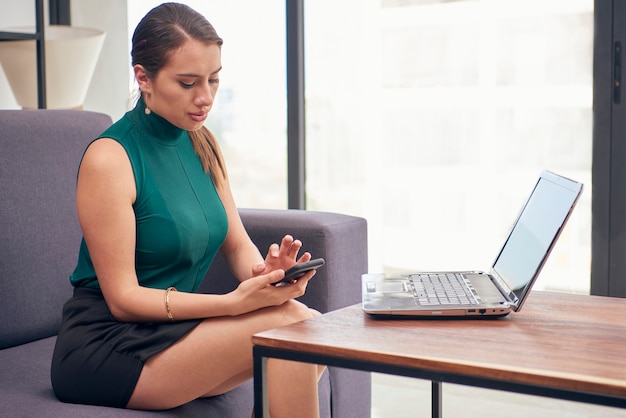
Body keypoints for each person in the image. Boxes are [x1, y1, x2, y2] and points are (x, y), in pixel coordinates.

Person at [50, 3, 323, 417]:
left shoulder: (202, 142)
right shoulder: (110, 158)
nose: (206, 97)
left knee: (308, 324)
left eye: (213, 79)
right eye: (188, 82)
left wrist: (266, 276)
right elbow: (123, 300)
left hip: (172, 331)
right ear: (143, 77)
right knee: (291, 330)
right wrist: (233, 304)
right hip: (107, 345)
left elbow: (236, 245)